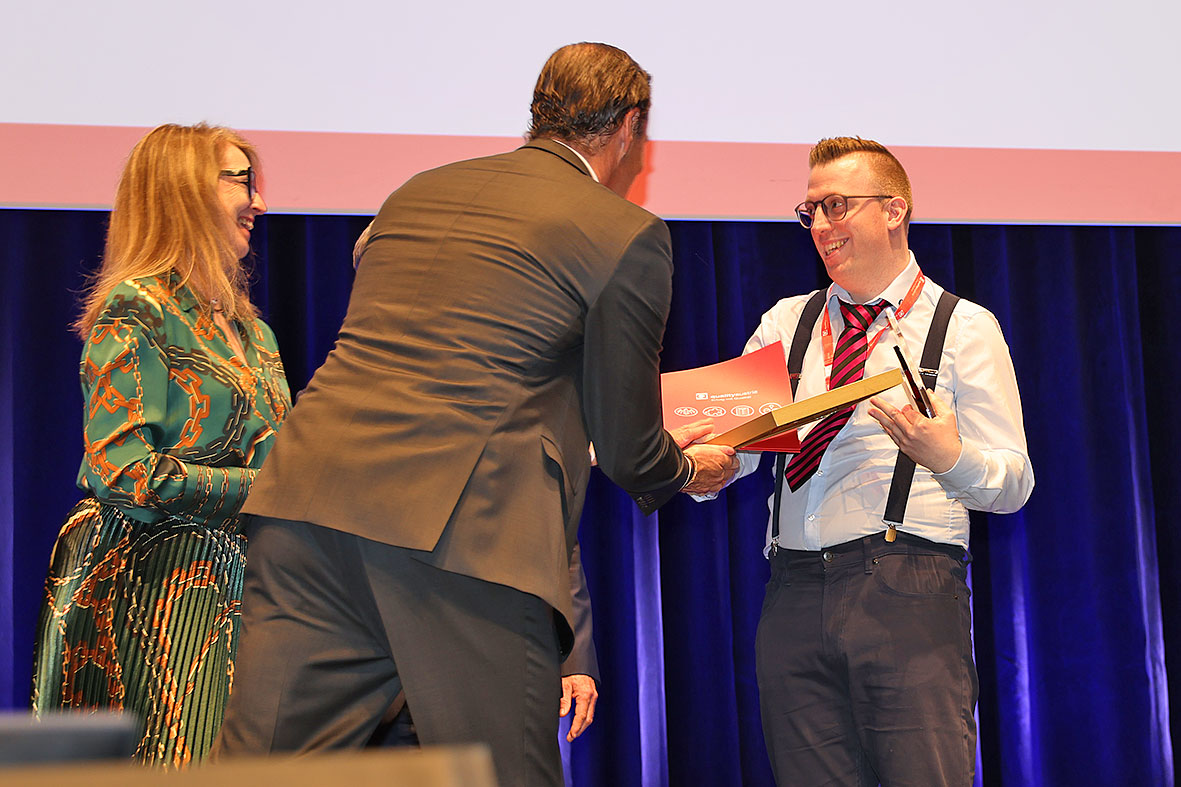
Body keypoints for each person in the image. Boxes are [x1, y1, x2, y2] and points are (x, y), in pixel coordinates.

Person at [213, 42, 737, 785]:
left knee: (261, 772)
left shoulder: (416, 192)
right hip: (460, 537)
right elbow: (628, 447)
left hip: (306, 507)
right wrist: (686, 469)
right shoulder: (625, 232)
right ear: (629, 128)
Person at [728, 137, 1034, 785]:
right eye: (810, 210)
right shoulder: (786, 323)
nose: (820, 224)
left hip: (907, 588)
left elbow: (1013, 481)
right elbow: (740, 448)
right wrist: (697, 462)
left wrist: (947, 456)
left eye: (836, 206)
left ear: (894, 210)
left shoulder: (962, 327)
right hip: (792, 592)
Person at [31, 123, 290, 768]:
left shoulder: (253, 331)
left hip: (242, 587)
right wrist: (265, 490)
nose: (259, 203)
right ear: (184, 190)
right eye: (242, 182)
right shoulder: (136, 307)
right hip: (149, 589)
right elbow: (122, 470)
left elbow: (281, 457)